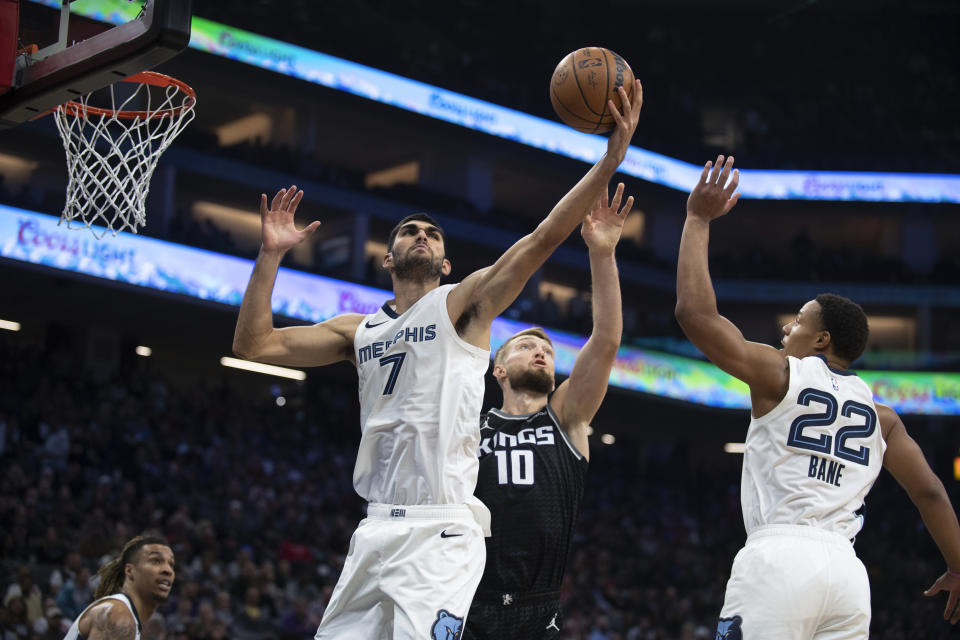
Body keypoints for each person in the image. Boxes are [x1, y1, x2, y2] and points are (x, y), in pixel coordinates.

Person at [232, 81, 642, 639]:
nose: (420, 235)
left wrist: (610, 159)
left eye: (432, 233)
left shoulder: (463, 309)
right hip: (376, 526)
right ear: (387, 258)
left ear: (447, 264)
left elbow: (543, 237)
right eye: (409, 231)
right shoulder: (357, 331)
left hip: (442, 529)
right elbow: (253, 346)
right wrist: (270, 255)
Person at [674, 155, 960, 638]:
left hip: (779, 560)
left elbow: (695, 317)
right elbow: (929, 490)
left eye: (800, 320)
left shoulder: (781, 373)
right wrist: (957, 566)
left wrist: (697, 219)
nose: (788, 328)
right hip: (847, 576)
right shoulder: (882, 417)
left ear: (823, 339)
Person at [463, 183, 630, 639]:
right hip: (465, 599)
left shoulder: (566, 417)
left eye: (548, 351)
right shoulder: (469, 425)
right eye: (525, 347)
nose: (541, 353)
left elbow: (607, 339)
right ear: (497, 369)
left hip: (539, 610)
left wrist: (602, 253)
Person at [63, 534, 175, 640]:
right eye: (155, 561)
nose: (167, 570)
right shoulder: (119, 616)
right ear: (130, 571)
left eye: (171, 564)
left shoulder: (127, 616)